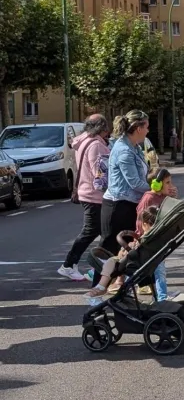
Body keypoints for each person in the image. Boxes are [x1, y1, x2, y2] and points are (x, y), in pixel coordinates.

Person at [58, 114, 111, 281]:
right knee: (94, 232)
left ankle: (97, 269)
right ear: (102, 128)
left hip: (86, 191)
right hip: (94, 194)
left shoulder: (84, 141)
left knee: (101, 232)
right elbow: (100, 172)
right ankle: (69, 265)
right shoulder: (96, 145)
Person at [100, 111, 151, 255]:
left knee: (126, 252)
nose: (148, 130)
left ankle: (119, 277)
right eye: (147, 127)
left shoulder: (134, 147)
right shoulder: (124, 150)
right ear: (138, 128)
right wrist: (155, 191)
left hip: (129, 204)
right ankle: (101, 277)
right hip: (118, 206)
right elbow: (134, 183)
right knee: (110, 252)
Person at [83, 206, 158, 302]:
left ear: (144, 224)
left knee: (111, 261)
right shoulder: (156, 237)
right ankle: (156, 296)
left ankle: (101, 287)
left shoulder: (147, 237)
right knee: (113, 260)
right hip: (143, 260)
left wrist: (129, 247)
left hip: (135, 261)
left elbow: (139, 248)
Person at [134, 168, 180, 300]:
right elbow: (140, 221)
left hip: (159, 240)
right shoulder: (148, 198)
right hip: (148, 241)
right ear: (156, 184)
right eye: (167, 183)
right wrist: (143, 236)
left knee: (159, 270)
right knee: (158, 270)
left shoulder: (163, 198)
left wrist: (173, 198)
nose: (171, 186)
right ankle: (161, 298)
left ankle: (160, 297)